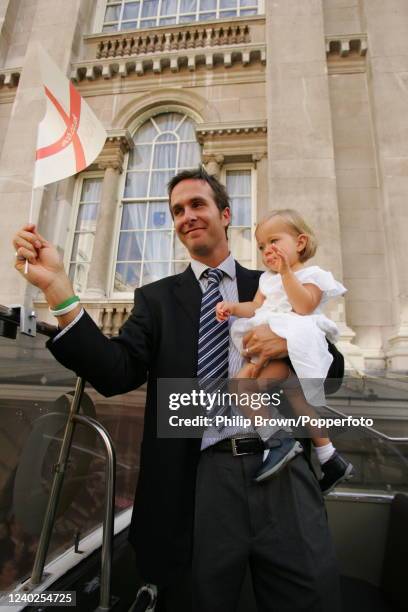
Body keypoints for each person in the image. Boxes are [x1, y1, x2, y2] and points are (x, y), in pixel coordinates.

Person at [13, 167, 343, 612]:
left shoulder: (270, 285)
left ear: (226, 214)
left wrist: (292, 341)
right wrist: (59, 291)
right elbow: (114, 373)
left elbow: (333, 372)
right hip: (200, 482)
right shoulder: (156, 300)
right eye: (177, 210)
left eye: (198, 205)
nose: (186, 215)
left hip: (283, 469)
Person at [215, 209, 355, 490]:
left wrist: (287, 273)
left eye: (273, 241)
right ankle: (330, 457)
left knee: (242, 384)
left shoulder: (313, 274)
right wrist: (232, 308)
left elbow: (304, 306)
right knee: (298, 401)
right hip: (276, 346)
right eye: (262, 246)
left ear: (300, 242)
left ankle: (276, 439)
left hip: (297, 345)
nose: (267, 250)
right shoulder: (266, 280)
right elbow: (255, 307)